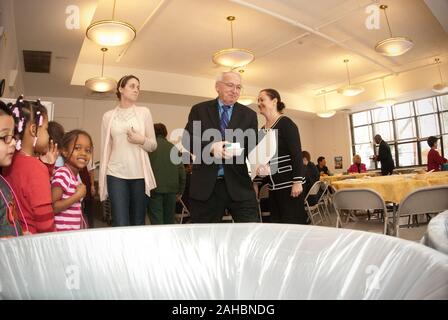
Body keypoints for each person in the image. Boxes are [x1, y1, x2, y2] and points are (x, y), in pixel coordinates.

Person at [182, 71, 259, 223]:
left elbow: (252, 147)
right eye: (230, 85)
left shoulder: (249, 115)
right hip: (206, 186)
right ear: (217, 87)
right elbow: (187, 139)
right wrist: (210, 148)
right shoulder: (199, 110)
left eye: (238, 87)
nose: (234, 90)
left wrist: (261, 162)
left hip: (239, 185)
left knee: (250, 233)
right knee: (204, 237)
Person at [99, 75, 157, 227]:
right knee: (120, 221)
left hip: (139, 174)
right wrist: (102, 175)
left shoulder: (144, 112)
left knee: (138, 222)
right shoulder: (108, 116)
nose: (136, 90)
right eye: (132, 86)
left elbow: (153, 145)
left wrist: (141, 140)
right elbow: (106, 148)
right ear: (120, 89)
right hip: (115, 173)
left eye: (138, 87)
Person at [4, 97, 57, 234]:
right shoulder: (36, 169)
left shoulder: (8, 162)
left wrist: (47, 167)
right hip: (34, 242)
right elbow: (44, 221)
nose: (48, 135)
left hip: (16, 235)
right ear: (33, 130)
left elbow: (26, 192)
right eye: (45, 129)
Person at [253, 89, 307, 224]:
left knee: (294, 224)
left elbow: (296, 154)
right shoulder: (262, 130)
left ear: (274, 101)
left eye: (262, 99)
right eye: (258, 100)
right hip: (273, 186)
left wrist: (297, 181)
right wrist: (256, 183)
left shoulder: (286, 123)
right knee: (278, 224)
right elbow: (260, 160)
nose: (259, 103)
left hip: (290, 186)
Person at [51, 130, 93, 231]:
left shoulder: (73, 177)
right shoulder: (63, 174)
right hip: (61, 237)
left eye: (88, 150)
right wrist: (77, 196)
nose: (83, 153)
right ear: (65, 152)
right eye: (77, 148)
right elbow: (52, 207)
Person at [147, 123, 186, 225]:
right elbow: (182, 172)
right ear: (166, 133)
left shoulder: (149, 148)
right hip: (172, 190)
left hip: (154, 189)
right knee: (169, 221)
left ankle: (159, 240)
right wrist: (180, 191)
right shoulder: (174, 148)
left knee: (157, 221)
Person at [0, 100, 26, 237]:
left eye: (13, 136)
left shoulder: (2, 181)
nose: (14, 142)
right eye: (5, 137)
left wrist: (21, 234)